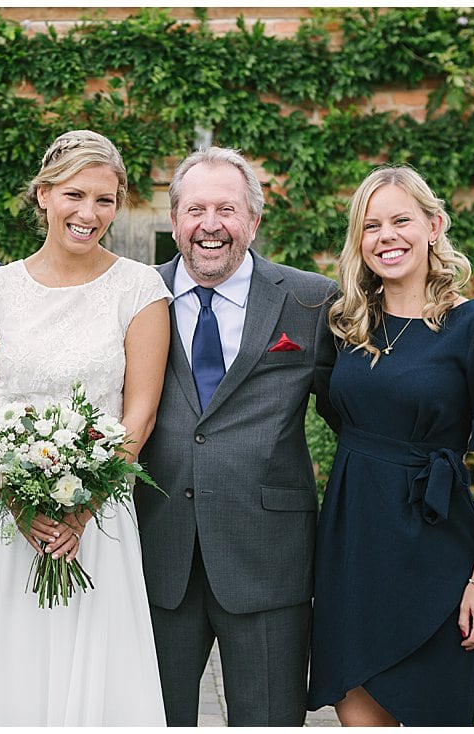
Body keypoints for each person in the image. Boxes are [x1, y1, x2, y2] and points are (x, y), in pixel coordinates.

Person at [0, 130, 171, 725]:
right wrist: (17, 500)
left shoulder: (140, 290)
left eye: (105, 200)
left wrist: (81, 507)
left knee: (94, 676)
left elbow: (140, 414)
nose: (89, 213)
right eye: (74, 195)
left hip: (99, 509)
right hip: (2, 514)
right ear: (43, 196)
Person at [306, 165, 474, 726]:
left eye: (401, 221)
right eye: (372, 225)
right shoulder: (346, 325)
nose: (387, 236)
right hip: (352, 543)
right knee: (356, 713)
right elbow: (348, 419)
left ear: (433, 226)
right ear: (359, 241)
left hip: (436, 547)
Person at [134, 146, 339, 726]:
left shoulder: (311, 301)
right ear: (174, 221)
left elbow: (357, 413)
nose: (210, 224)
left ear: (252, 219)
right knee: (152, 718)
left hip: (269, 555)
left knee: (268, 719)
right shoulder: (133, 294)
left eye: (227, 208)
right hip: (157, 550)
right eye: (195, 208)